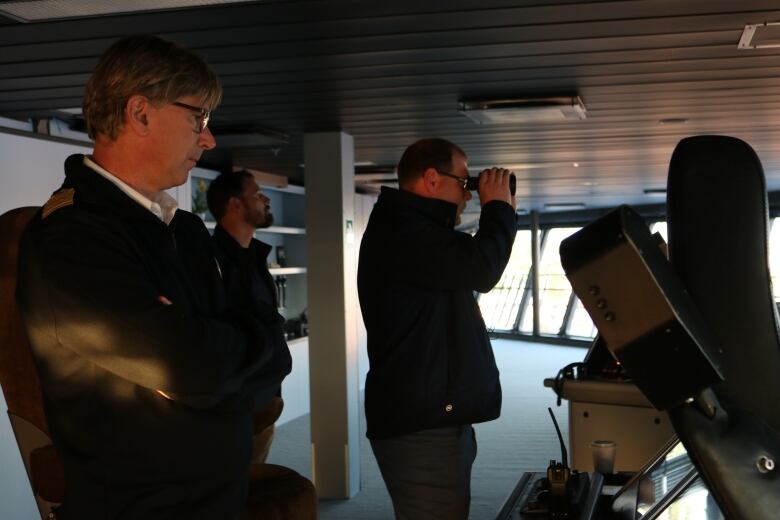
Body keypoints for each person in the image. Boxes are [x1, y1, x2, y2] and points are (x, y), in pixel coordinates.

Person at [15, 35, 291, 520]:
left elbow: (271, 347)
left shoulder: (182, 228)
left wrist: (217, 355)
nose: (208, 139)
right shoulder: (70, 236)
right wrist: (225, 348)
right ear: (140, 113)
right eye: (198, 118)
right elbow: (186, 362)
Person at [357, 137, 517, 519]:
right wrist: (497, 207)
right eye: (464, 184)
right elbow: (483, 268)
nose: (466, 196)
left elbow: (471, 263)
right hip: (420, 426)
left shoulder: (414, 232)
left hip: (429, 415)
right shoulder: (403, 234)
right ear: (431, 179)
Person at [206, 170, 290, 463]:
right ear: (235, 205)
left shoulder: (253, 258)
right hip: (237, 402)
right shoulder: (211, 261)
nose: (266, 200)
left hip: (264, 395)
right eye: (256, 194)